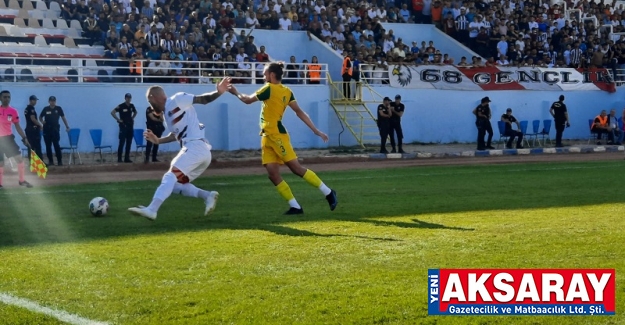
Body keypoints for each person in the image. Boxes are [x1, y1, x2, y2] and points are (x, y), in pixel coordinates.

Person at [227, 62, 338, 215]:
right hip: (267, 136)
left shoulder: (268, 88)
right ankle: (295, 207)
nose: (263, 76)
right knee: (272, 174)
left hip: (276, 135)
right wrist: (315, 130)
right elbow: (299, 112)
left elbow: (247, 100)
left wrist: (235, 92)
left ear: (272, 75)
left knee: (296, 168)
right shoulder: (286, 91)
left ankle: (328, 192)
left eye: (265, 73)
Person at [128, 78, 232, 220]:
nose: (150, 105)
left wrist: (218, 92)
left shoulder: (177, 99)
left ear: (153, 97)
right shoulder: (166, 115)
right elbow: (175, 135)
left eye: (149, 101)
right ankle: (208, 195)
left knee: (169, 176)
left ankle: (152, 209)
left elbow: (202, 99)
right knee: (175, 185)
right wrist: (158, 140)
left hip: (195, 147)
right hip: (199, 151)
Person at [0, 90, 33, 188]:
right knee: (1, 163)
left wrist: (24, 137)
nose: (7, 99)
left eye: (8, 97)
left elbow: (17, 126)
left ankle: (22, 180)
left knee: (19, 159)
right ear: (0, 98)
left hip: (9, 139)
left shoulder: (13, 111)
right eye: (5, 97)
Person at [39, 96, 70, 166]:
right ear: (49, 101)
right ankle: (50, 161)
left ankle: (59, 161)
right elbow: (40, 117)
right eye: (51, 101)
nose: (52, 102)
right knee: (48, 146)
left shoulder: (58, 108)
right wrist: (42, 121)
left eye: (54, 101)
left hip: (55, 129)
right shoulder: (46, 109)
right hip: (47, 130)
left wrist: (67, 126)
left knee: (56, 145)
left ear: (55, 101)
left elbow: (63, 117)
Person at [110, 93, 137, 163]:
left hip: (130, 126)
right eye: (127, 98)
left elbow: (135, 112)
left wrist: (132, 118)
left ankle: (126, 158)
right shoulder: (121, 106)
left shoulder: (131, 106)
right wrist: (118, 120)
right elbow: (112, 112)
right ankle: (119, 158)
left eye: (130, 98)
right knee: (122, 142)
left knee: (129, 142)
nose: (129, 99)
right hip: (123, 126)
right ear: (125, 98)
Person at [23, 95, 44, 162]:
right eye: (34, 100)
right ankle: (40, 162)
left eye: (36, 100)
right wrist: (40, 125)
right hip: (33, 130)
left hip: (29, 129)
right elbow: (33, 119)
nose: (35, 102)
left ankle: (31, 163)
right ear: (31, 100)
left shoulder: (27, 108)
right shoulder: (31, 108)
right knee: (37, 146)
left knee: (30, 147)